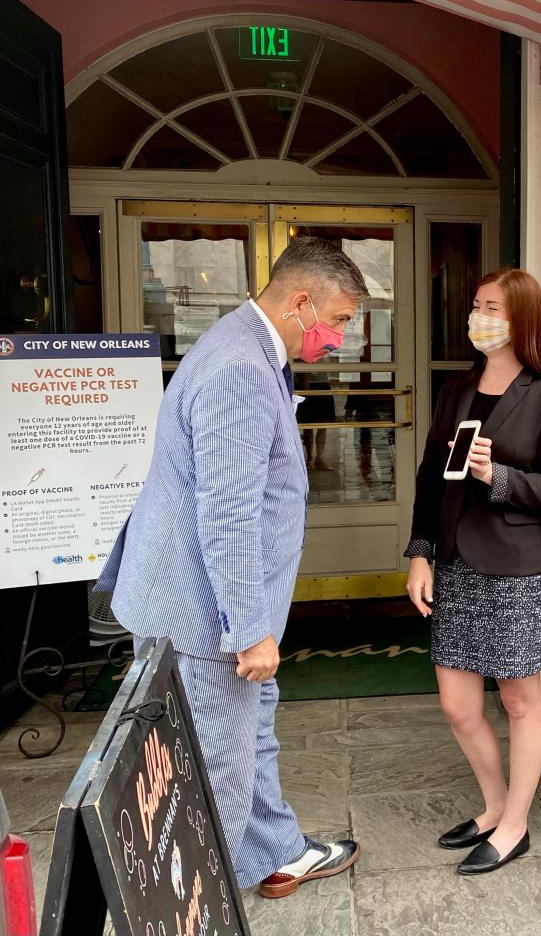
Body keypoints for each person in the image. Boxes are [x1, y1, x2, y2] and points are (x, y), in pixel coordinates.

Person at [97, 237, 369, 898]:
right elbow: (228, 515)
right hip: (207, 617)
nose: (338, 340)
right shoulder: (241, 369)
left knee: (251, 737)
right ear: (301, 301)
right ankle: (194, 897)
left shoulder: (239, 342)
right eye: (337, 321)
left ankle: (274, 854)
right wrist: (249, 630)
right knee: (215, 765)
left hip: (197, 602)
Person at [405, 269, 541, 876]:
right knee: (457, 704)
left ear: (522, 318)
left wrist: (495, 476)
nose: (479, 316)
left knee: (519, 701)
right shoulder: (457, 387)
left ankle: (515, 826)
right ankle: (493, 806)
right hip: (453, 562)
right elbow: (431, 475)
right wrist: (420, 552)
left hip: (513, 567)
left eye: (492, 308)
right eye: (477, 305)